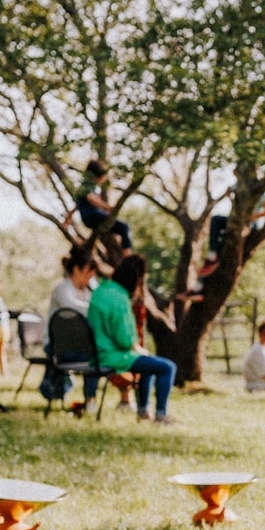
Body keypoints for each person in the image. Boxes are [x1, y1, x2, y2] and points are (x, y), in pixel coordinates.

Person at [88, 255, 177, 423]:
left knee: (147, 364)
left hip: (96, 353)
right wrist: (138, 348)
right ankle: (161, 414)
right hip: (111, 356)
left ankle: (144, 411)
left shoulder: (100, 291)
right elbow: (125, 340)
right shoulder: (120, 298)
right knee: (167, 367)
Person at [43, 251, 97, 410]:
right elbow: (75, 309)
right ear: (76, 269)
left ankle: (89, 400)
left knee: (98, 356)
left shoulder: (87, 292)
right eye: (87, 272)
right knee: (95, 357)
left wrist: (93, 285)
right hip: (57, 346)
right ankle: (89, 400)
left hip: (78, 345)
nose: (89, 277)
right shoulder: (62, 289)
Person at [75, 159, 133, 252]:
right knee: (124, 227)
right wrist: (108, 207)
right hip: (93, 216)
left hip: (90, 218)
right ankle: (128, 258)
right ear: (97, 175)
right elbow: (91, 198)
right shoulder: (87, 186)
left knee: (117, 229)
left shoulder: (87, 187)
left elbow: (78, 205)